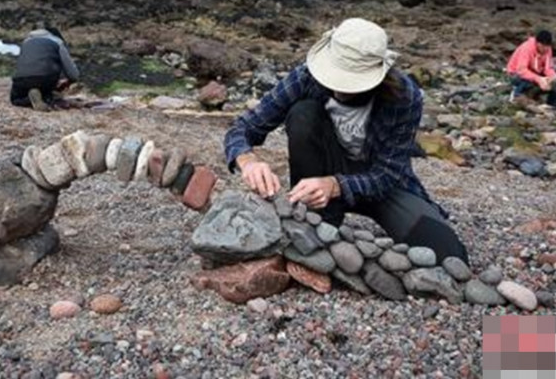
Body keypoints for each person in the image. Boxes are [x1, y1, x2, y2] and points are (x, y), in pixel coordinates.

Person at [224, 18, 469, 264]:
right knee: (303, 113)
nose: (339, 87)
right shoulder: (306, 77)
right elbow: (243, 127)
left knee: (450, 256)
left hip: (379, 185)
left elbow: (388, 174)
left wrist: (335, 185)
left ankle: (326, 216)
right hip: (316, 185)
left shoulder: (405, 97)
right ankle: (315, 218)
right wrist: (247, 161)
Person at [10, 26, 80, 111]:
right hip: (45, 78)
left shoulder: (26, 42)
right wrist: (66, 82)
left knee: (15, 99)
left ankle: (29, 98)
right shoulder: (58, 42)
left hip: (21, 79)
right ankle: (46, 97)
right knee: (46, 89)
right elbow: (74, 74)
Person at [506, 30, 556, 106]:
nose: (545, 49)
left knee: (554, 83)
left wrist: (552, 77)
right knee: (525, 81)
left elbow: (548, 67)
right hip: (515, 73)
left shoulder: (548, 50)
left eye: (547, 46)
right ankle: (516, 95)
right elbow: (521, 70)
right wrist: (539, 79)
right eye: (543, 46)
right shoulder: (527, 48)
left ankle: (551, 106)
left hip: (535, 72)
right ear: (537, 43)